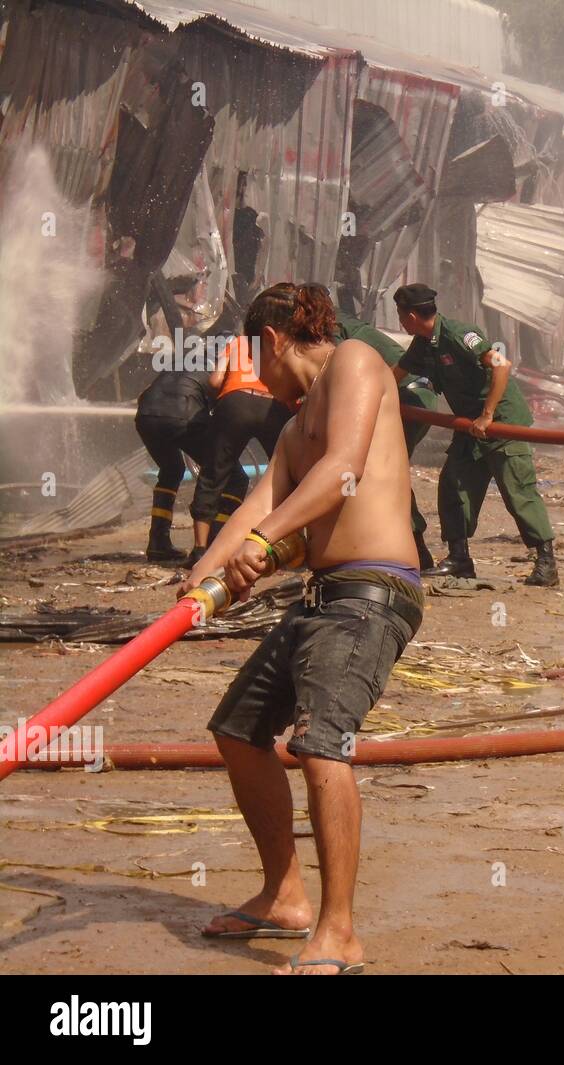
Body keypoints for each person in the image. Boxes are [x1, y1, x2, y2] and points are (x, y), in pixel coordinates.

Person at [185, 282, 423, 975]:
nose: (259, 372)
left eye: (257, 354)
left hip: (374, 592)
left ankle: (339, 930)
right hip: (324, 599)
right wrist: (201, 575)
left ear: (274, 339)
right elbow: (257, 504)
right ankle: (284, 895)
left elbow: (343, 470)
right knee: (237, 730)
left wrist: (264, 544)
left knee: (321, 744)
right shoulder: (292, 428)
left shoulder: (354, 361)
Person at [392, 284, 559, 587]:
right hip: (470, 427)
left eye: (402, 316)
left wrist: (488, 414)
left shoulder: (459, 335)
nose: (401, 323)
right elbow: (395, 376)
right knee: (453, 485)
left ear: (412, 316)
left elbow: (502, 366)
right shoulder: (423, 343)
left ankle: (546, 563)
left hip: (501, 422)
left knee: (517, 491)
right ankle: (460, 560)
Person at [333, 310, 439, 574]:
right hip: (416, 397)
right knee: (386, 470)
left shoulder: (334, 328)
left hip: (406, 400)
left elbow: (333, 372)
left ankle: (410, 546)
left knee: (379, 470)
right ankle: (412, 547)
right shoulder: (348, 325)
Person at [186, 333, 295, 568]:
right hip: (272, 404)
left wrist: (223, 399)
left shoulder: (237, 342)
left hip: (234, 403)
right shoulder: (284, 342)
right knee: (286, 473)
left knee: (213, 473)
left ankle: (199, 549)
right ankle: (287, 543)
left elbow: (215, 381)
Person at [134, 364, 221, 562]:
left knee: (171, 470)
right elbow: (221, 410)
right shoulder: (217, 370)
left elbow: (143, 395)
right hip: (183, 416)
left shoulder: (177, 366)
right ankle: (211, 545)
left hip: (146, 417)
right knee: (224, 474)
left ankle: (158, 542)